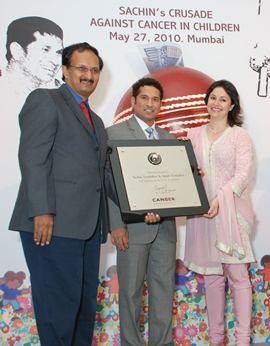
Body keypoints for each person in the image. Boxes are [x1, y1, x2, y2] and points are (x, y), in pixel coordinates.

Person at [9, 42, 116, 345]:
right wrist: (42, 210)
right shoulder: (45, 100)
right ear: (65, 71)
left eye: (94, 70)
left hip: (87, 229)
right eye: (81, 68)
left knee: (83, 310)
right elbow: (33, 158)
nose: (89, 75)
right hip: (52, 225)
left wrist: (150, 201)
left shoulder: (95, 122)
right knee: (58, 310)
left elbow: (103, 177)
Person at [184, 80, 255, 346]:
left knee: (238, 277)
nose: (216, 103)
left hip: (231, 214)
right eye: (212, 97)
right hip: (202, 215)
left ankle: (243, 340)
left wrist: (220, 198)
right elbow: (187, 172)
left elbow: (243, 174)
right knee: (212, 278)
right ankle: (216, 340)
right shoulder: (193, 134)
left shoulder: (239, 136)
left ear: (231, 105)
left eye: (223, 99)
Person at [107, 77, 177, 346]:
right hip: (130, 230)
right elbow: (108, 184)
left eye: (155, 99)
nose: (150, 104)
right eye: (144, 98)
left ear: (161, 104)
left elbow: (173, 185)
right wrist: (117, 224)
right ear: (134, 101)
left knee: (163, 292)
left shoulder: (171, 140)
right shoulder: (114, 134)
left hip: (165, 230)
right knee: (130, 293)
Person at [5, 16, 63, 96]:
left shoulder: (63, 93)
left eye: (59, 52)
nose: (56, 61)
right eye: (45, 50)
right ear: (17, 51)